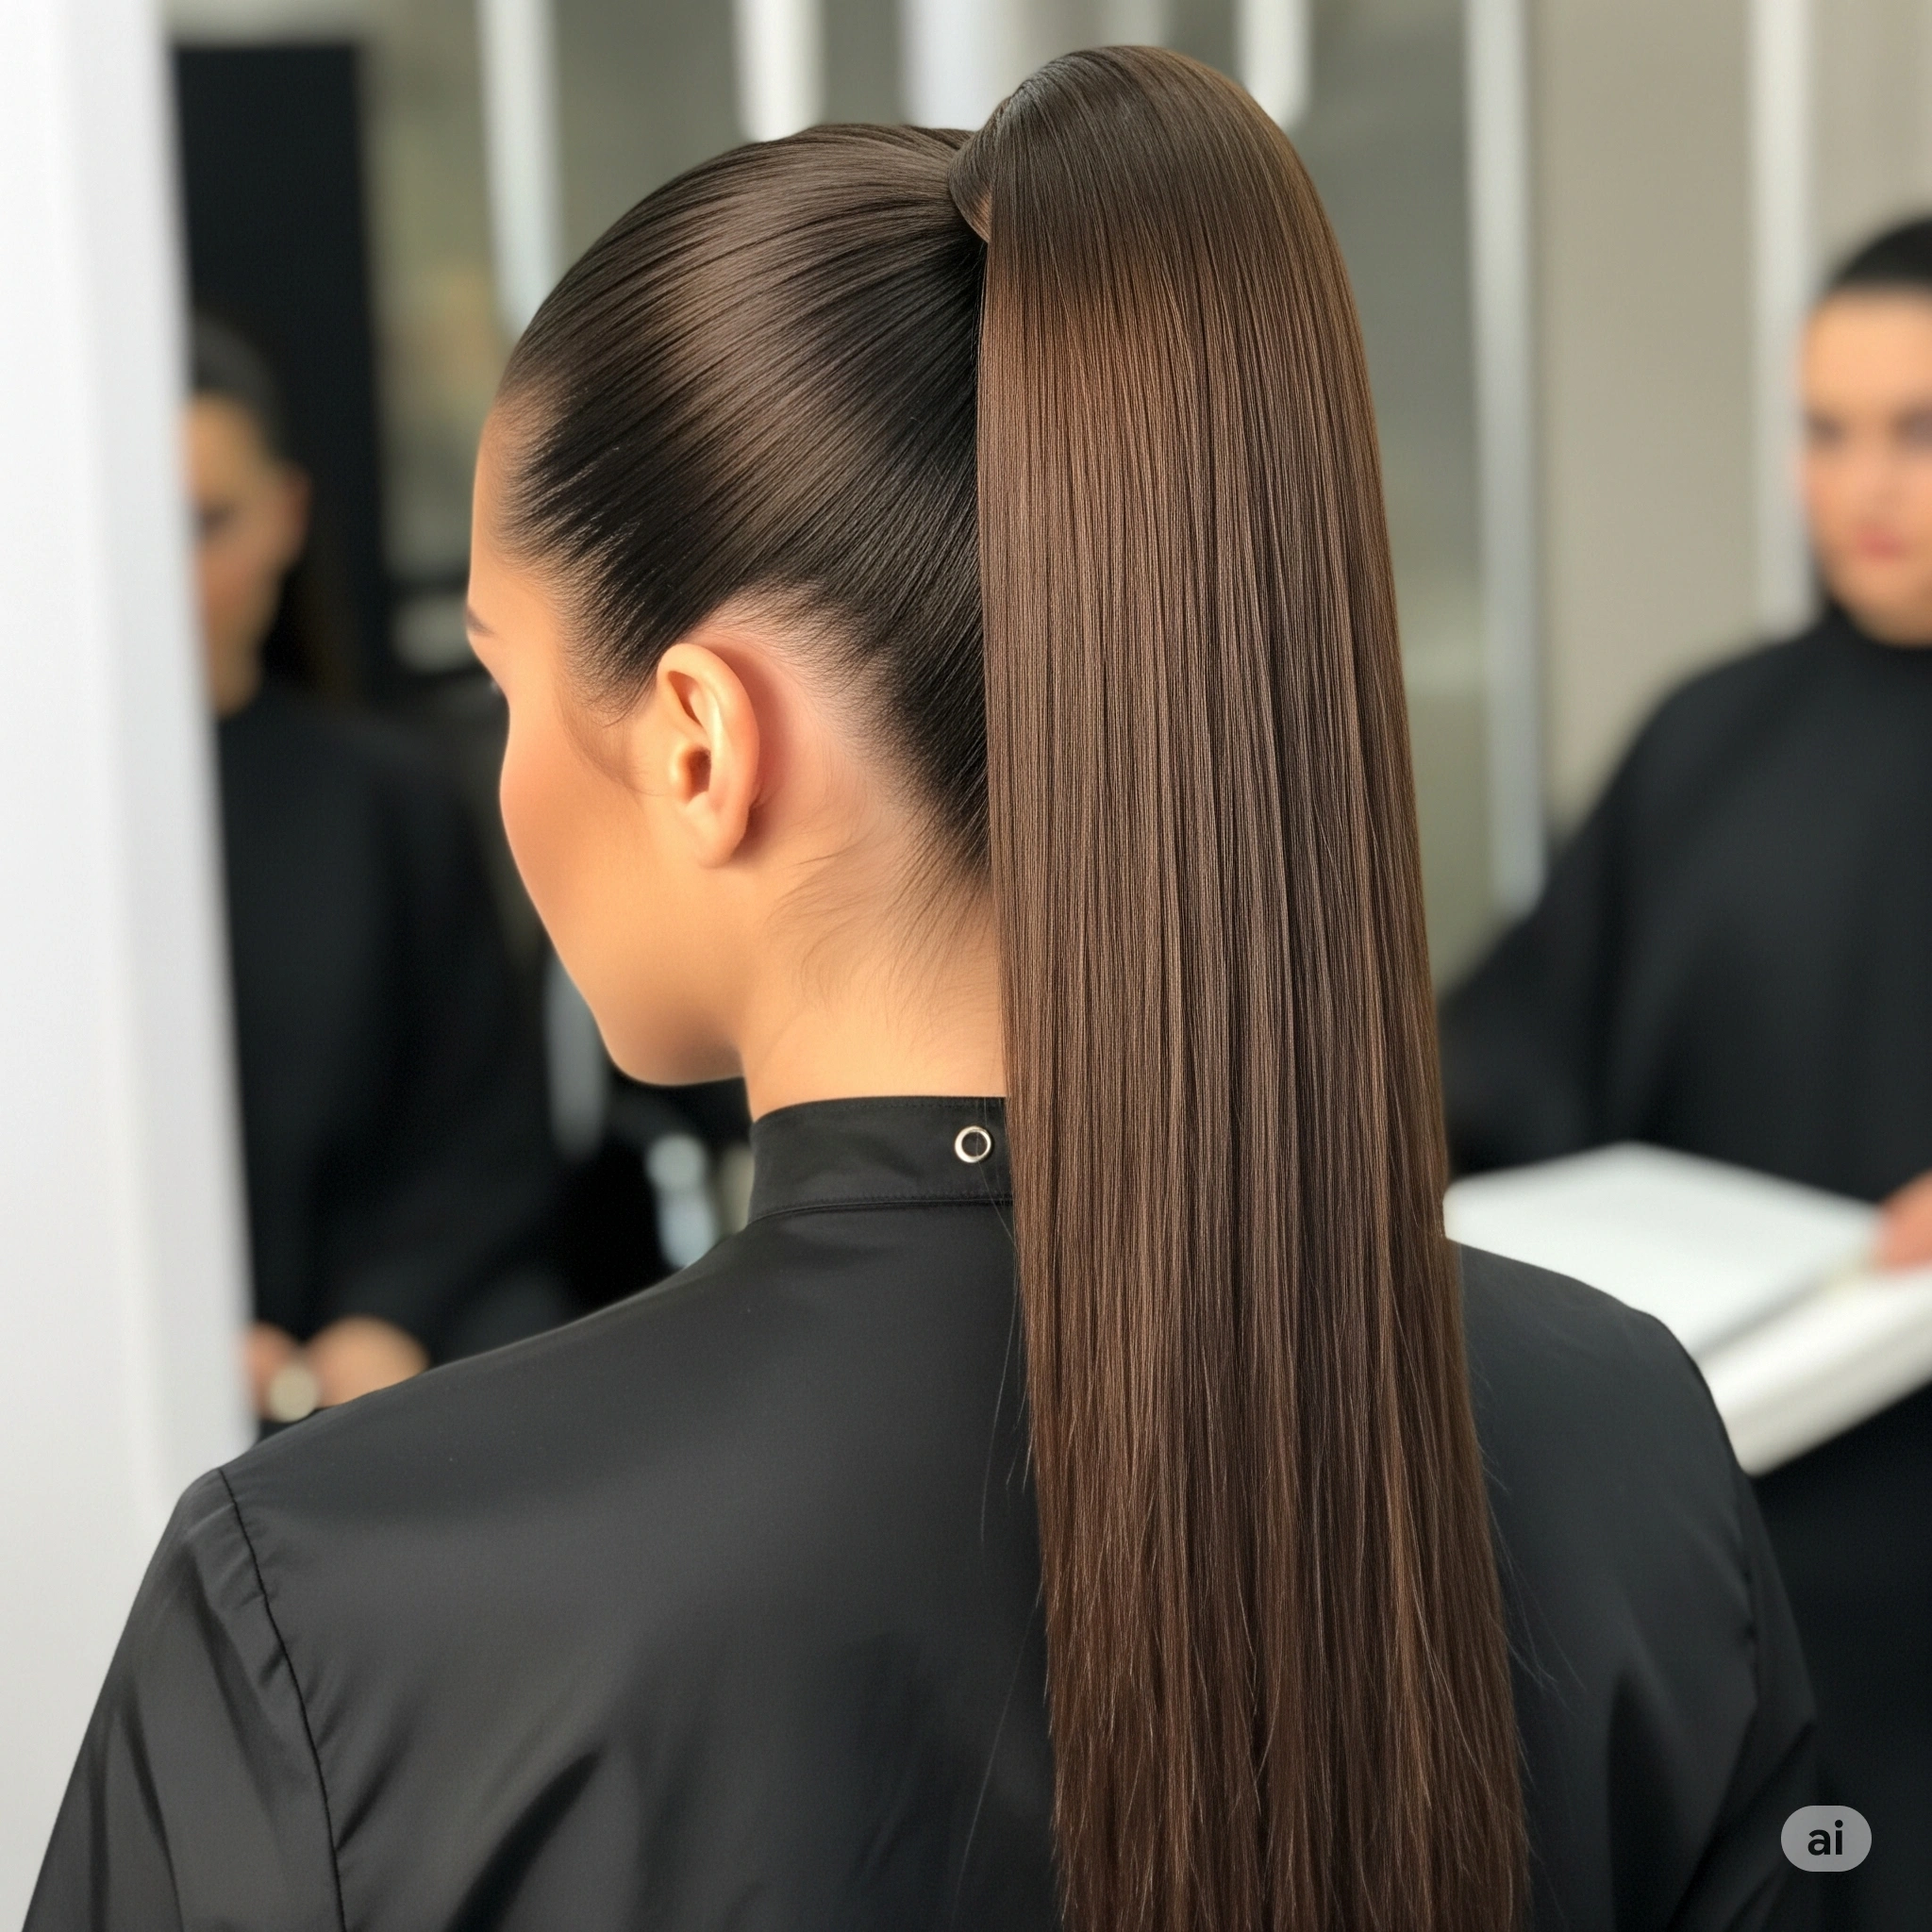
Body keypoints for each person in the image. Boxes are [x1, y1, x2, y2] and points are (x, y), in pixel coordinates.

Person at [31, 55, 1810, 1930]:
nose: (500, 771)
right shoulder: (1622, 1444)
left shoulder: (329, 1606)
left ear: (703, 741)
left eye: (503, 679)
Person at [1441, 216, 1932, 1928]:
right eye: (1823, 429)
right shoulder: (1708, 738)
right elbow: (1498, 1049)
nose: (1861, 482)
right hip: (1706, 1525)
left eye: (1915, 427)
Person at [188, 315, 565, 1420]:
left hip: (383, 1356)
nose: (177, 571)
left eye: (209, 522)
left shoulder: (384, 799)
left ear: (285, 516)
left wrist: (384, 1319)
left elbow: (486, 1129)